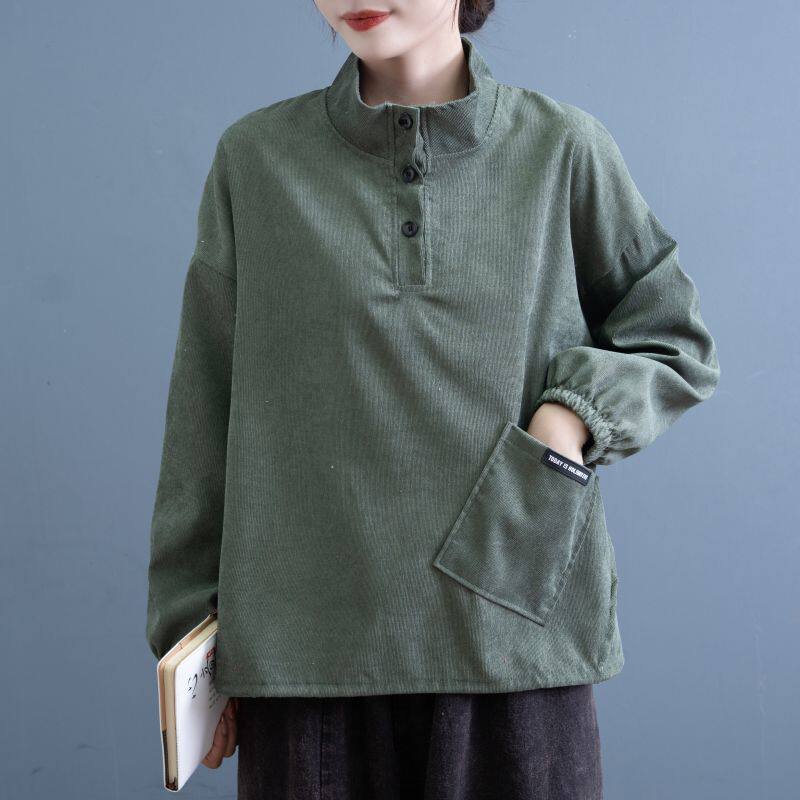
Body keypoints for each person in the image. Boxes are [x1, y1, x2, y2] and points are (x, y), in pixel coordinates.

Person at [145, 1, 721, 797]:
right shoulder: (256, 162)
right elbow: (204, 404)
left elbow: (672, 336)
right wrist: (186, 626)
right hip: (306, 657)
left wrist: (568, 419)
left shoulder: (562, 149)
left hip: (514, 641)